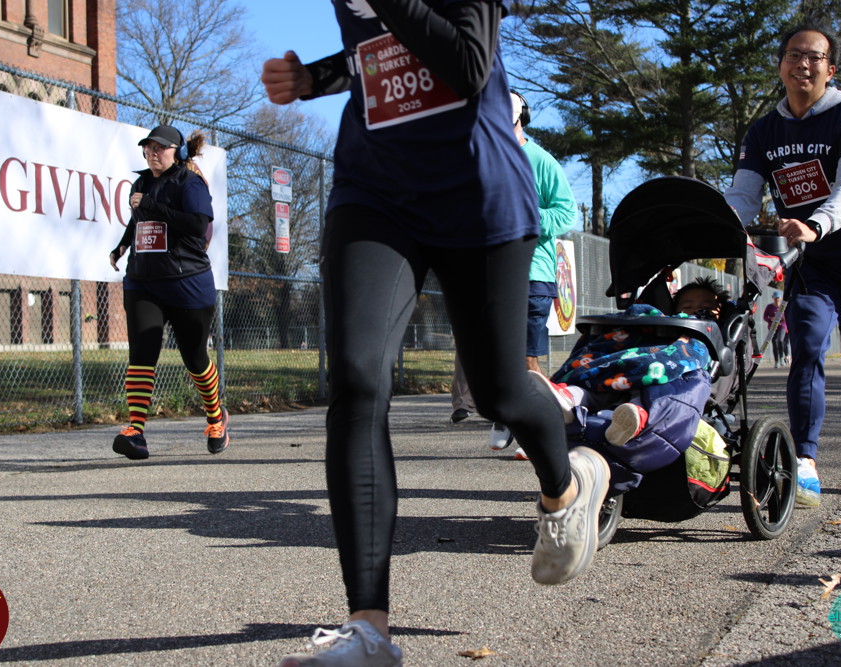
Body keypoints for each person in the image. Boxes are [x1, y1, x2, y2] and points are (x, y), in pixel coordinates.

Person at [261, 3, 609, 665]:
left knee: (498, 390)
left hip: (478, 190)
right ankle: (368, 630)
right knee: (357, 379)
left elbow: (469, 63)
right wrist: (315, 79)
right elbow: (376, 48)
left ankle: (568, 484)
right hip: (376, 190)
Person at [723, 21, 841, 508]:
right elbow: (744, 195)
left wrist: (816, 224)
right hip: (813, 261)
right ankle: (805, 463)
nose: (802, 63)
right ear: (781, 64)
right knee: (806, 347)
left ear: (830, 69)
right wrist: (715, 226)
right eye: (793, 55)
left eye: (814, 57)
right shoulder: (764, 130)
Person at [534, 278, 729, 495]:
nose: (694, 311)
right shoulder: (665, 325)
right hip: (637, 361)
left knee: (652, 389)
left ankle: (635, 415)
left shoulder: (701, 341)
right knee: (602, 379)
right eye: (687, 306)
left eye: (705, 307)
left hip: (663, 376)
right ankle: (569, 396)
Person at [109, 125, 230, 460]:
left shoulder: (188, 183)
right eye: (148, 148)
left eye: (159, 148)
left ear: (177, 152)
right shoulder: (141, 183)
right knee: (141, 354)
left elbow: (197, 225)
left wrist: (153, 205)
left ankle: (216, 418)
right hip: (143, 282)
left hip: (186, 283)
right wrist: (121, 246)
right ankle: (135, 432)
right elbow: (138, 221)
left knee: (195, 358)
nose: (152, 153)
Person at [487, 90, 578, 460]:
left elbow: (567, 212)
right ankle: (507, 413)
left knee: (526, 359)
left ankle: (536, 427)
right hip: (490, 272)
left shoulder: (541, 161)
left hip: (532, 273)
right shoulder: (485, 160)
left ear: (520, 116)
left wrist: (527, 218)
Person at [762, 290, 790, 368]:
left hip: (782, 326)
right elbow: (765, 316)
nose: (777, 300)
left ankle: (781, 358)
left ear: (780, 298)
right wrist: (770, 319)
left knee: (780, 340)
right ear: (773, 298)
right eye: (775, 298)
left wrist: (784, 318)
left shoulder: (783, 307)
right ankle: (776, 361)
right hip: (772, 327)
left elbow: (788, 315)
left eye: (778, 298)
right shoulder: (769, 307)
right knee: (774, 342)